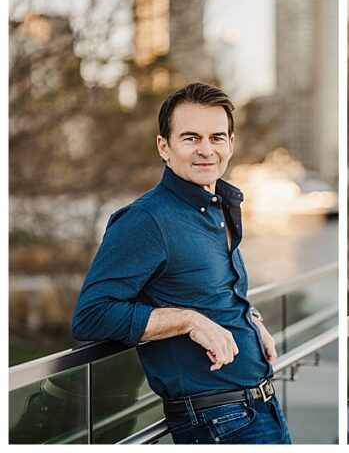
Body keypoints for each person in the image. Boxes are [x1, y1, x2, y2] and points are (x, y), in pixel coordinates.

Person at [71, 82, 290, 444]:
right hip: (218, 421)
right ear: (164, 147)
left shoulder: (219, 206)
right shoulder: (146, 220)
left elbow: (208, 289)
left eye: (217, 138)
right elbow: (92, 315)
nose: (206, 150)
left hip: (262, 406)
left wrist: (250, 319)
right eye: (191, 138)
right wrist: (187, 321)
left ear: (231, 144)